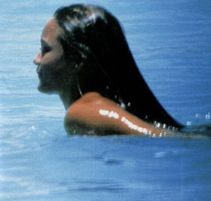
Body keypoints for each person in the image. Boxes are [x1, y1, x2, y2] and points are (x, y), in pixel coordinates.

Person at [33, 4, 182, 136]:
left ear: (77, 61)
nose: (36, 59)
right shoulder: (106, 106)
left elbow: (170, 139)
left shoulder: (80, 113)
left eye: (45, 49)